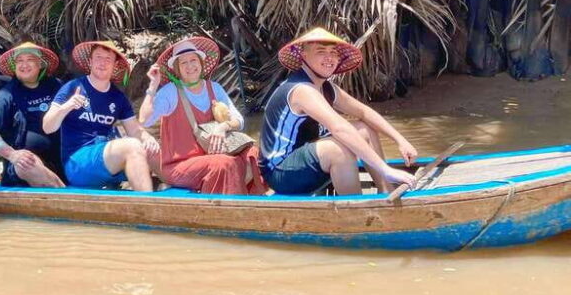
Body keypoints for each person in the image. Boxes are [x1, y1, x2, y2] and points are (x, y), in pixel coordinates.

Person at [260, 27, 418, 195]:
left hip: (305, 161)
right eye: (321, 51)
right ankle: (355, 211)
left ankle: (386, 192)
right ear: (304, 56)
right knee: (336, 149)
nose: (329, 58)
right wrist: (385, 168)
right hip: (280, 172)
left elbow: (364, 112)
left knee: (364, 129)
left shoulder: (326, 88)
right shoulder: (301, 90)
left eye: (333, 52)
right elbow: (339, 128)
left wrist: (400, 140)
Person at [139, 37, 266, 195]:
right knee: (224, 163)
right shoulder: (170, 92)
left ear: (201, 63)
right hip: (179, 165)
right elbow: (144, 119)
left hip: (212, 156)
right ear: (177, 68)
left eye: (193, 60)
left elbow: (238, 120)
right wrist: (153, 86)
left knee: (252, 154)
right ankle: (227, 207)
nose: (190, 66)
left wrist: (223, 127)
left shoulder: (214, 88)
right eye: (183, 63)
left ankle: (249, 200)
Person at [43, 41, 159, 191]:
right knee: (132, 146)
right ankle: (147, 207)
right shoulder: (73, 88)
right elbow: (47, 127)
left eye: (108, 59)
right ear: (90, 62)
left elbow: (135, 131)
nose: (102, 63)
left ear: (114, 66)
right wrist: (67, 106)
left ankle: (177, 197)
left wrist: (149, 139)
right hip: (77, 163)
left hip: (106, 158)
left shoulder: (118, 97)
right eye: (98, 57)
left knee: (152, 151)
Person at [0, 42, 65, 188]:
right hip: (25, 169)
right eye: (19, 61)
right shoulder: (7, 94)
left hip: (60, 161)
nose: (24, 64)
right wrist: (12, 155)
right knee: (27, 163)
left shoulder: (57, 86)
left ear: (40, 64)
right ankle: (65, 196)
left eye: (30, 59)